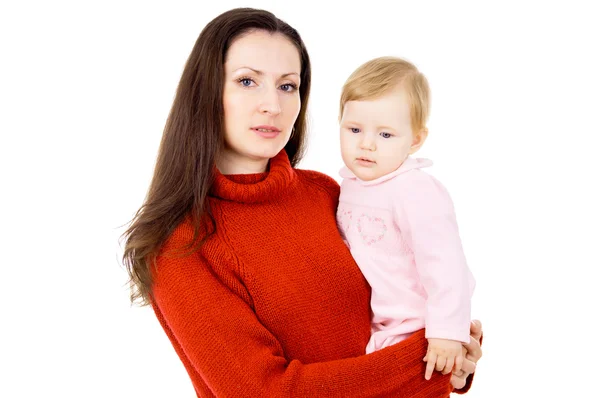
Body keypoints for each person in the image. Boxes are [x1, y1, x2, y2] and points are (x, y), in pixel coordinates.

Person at [121, 7, 483, 397]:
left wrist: (453, 348)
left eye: (287, 86)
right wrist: (430, 364)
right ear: (206, 91)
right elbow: (264, 393)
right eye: (247, 81)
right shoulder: (181, 244)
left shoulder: (326, 193)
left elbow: (403, 290)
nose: (272, 106)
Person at [336, 56, 476, 381]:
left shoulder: (414, 189)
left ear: (415, 140)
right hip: (378, 328)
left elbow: (446, 264)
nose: (366, 144)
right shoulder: (350, 184)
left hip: (419, 325)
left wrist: (447, 330)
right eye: (354, 129)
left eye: (386, 135)